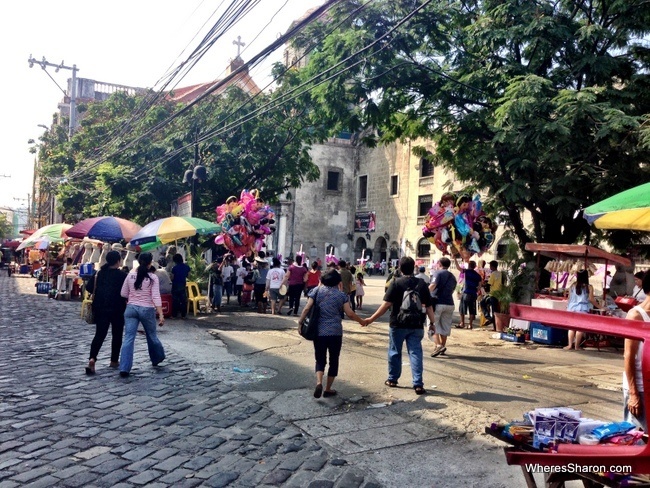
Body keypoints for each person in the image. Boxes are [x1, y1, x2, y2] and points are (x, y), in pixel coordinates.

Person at [366, 256, 436, 395]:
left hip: (397, 323)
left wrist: (371, 319)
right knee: (415, 353)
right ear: (414, 267)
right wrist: (432, 323)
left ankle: (392, 379)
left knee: (394, 351)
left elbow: (386, 305)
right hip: (416, 324)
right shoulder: (422, 284)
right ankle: (418, 384)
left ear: (400, 267)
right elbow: (428, 307)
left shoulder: (396, 283)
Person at [297, 270, 366, 398]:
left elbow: (307, 308)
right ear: (338, 282)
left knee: (320, 359)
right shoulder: (341, 296)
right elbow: (350, 313)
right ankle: (328, 388)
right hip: (335, 332)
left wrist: (300, 323)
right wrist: (362, 321)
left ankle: (319, 382)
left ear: (322, 280)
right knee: (334, 360)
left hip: (319, 332)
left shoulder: (316, 292)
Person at [118, 253, 165, 377]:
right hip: (147, 309)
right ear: (150, 263)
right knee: (152, 335)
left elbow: (123, 293)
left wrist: (133, 298)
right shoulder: (153, 278)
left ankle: (124, 367)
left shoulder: (130, 275)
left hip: (131, 309)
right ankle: (158, 357)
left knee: (128, 338)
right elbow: (155, 296)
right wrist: (161, 314)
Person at [85, 251, 127, 375]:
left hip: (100, 308)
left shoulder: (99, 273)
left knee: (99, 335)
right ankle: (114, 360)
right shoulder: (122, 275)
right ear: (118, 261)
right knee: (117, 335)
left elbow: (88, 288)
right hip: (118, 309)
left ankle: (92, 358)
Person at [623, 272, 650, 431]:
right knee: (637, 439)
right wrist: (633, 394)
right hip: (639, 387)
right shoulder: (636, 315)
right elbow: (628, 356)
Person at [564, 269, 602, 350]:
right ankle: (577, 346)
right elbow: (591, 299)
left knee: (571, 328)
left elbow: (569, 298)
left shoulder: (572, 285)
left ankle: (570, 345)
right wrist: (600, 307)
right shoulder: (589, 287)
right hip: (582, 309)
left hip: (571, 308)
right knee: (579, 328)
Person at [428, 257, 457, 357]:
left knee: (432, 324)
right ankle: (442, 347)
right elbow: (453, 290)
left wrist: (423, 294)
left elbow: (432, 286)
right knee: (445, 327)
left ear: (439, 263)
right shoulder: (452, 276)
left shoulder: (438, 273)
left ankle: (438, 345)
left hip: (437, 303)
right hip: (449, 303)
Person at [479, 260, 503, 328]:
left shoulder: (493, 274)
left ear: (492, 266)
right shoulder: (500, 274)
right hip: (499, 294)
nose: (489, 267)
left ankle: (489, 318)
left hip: (493, 294)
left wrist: (484, 284)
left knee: (482, 303)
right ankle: (495, 326)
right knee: (495, 310)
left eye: (490, 266)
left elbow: (489, 284)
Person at [458, 260, 481, 329]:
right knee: (472, 309)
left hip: (466, 292)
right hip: (473, 293)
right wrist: (476, 290)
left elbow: (458, 268)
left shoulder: (466, 272)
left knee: (462, 308)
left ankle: (462, 323)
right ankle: (470, 324)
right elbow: (479, 286)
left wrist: (455, 259)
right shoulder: (478, 275)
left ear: (469, 265)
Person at [170, 253, 191, 319]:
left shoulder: (174, 268)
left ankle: (174, 315)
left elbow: (172, 278)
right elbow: (188, 276)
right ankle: (183, 315)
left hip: (175, 285)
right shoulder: (187, 267)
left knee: (175, 301)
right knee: (183, 301)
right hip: (183, 285)